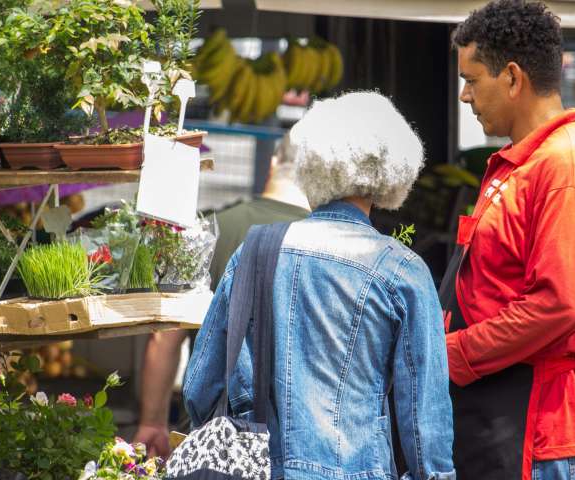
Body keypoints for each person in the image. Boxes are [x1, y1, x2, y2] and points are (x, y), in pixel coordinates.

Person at [183, 91, 455, 480]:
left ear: (311, 164)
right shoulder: (402, 271)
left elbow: (199, 386)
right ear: (390, 173)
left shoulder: (255, 250)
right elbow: (424, 423)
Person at [442, 1, 575, 479]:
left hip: (534, 432)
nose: (464, 95)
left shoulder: (562, 165)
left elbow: (558, 304)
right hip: (497, 419)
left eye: (472, 80)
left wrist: (451, 355)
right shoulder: (522, 162)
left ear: (514, 78)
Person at [132, 134, 310, 457]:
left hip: (213, 442)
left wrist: (153, 422)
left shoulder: (215, 229)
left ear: (272, 163)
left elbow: (165, 338)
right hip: (298, 445)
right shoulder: (327, 244)